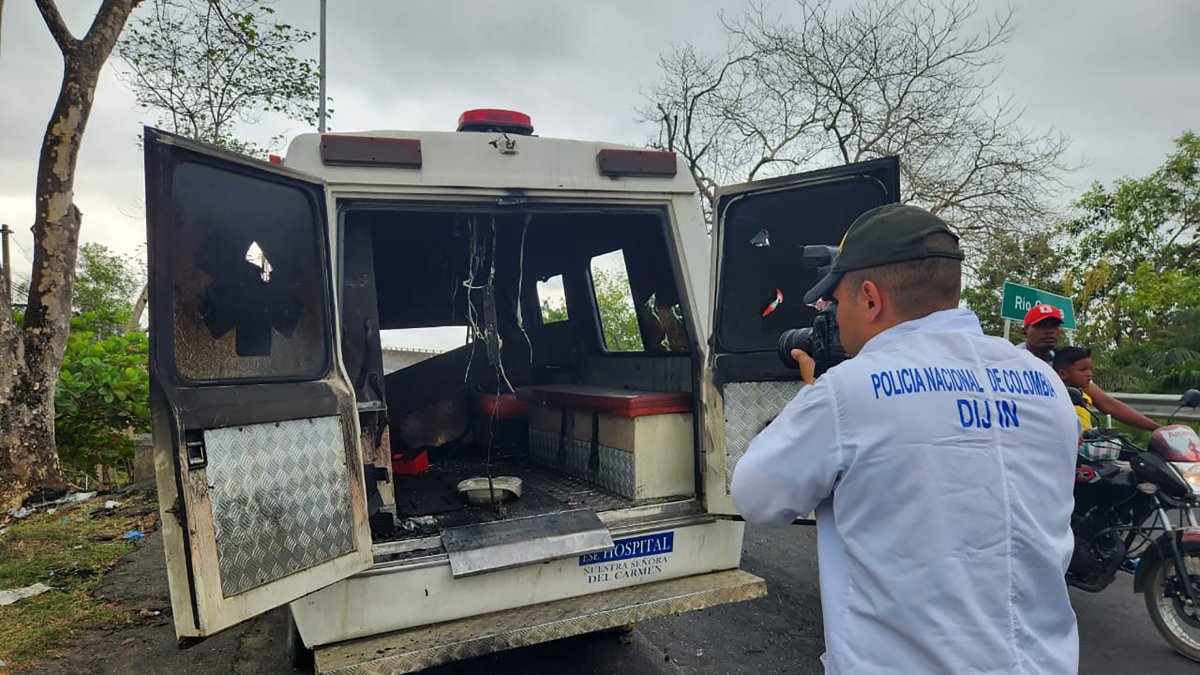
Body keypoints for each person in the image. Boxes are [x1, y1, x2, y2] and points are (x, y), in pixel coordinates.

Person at [730, 204, 1079, 674]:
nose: (832, 318)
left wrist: (814, 394)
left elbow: (757, 497)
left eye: (835, 303)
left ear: (870, 299)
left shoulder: (848, 391)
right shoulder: (1045, 383)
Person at [1023, 309, 1159, 432]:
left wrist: (1159, 429)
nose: (1049, 331)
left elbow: (1107, 404)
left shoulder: (1063, 363)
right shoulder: (1011, 360)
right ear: (1025, 331)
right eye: (1041, 325)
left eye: (1054, 325)